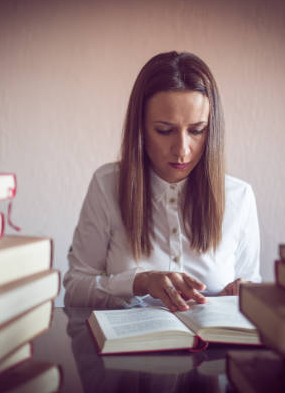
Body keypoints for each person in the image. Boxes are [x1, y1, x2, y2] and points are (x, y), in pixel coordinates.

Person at [63, 51, 261, 311]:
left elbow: (252, 288)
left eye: (197, 130)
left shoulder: (239, 196)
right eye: (164, 130)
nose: (182, 150)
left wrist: (243, 292)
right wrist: (139, 281)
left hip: (212, 349)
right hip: (126, 349)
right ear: (141, 128)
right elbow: (75, 290)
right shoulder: (107, 185)